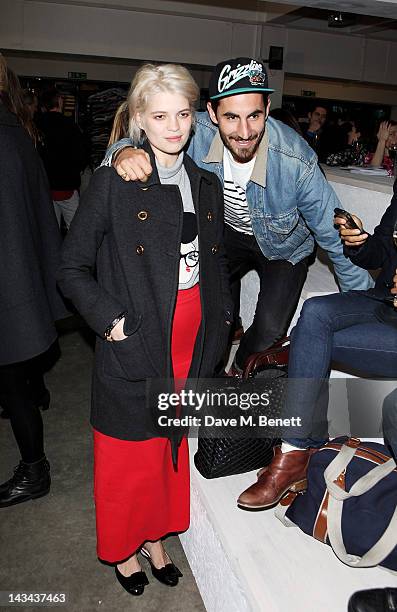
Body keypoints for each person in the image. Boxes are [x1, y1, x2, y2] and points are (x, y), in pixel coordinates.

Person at [57, 63, 232, 597]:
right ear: (138, 119)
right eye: (160, 116)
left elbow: (214, 261)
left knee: (165, 448)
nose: (174, 127)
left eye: (182, 113)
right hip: (137, 334)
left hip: (190, 339)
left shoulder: (204, 182)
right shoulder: (116, 179)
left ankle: (156, 538)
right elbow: (71, 269)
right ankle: (123, 548)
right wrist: (112, 325)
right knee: (126, 453)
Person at [104, 57, 372, 375]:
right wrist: (122, 151)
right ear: (213, 114)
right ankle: (212, 379)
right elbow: (138, 137)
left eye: (254, 116)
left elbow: (334, 234)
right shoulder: (193, 131)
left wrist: (365, 304)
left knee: (269, 332)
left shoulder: (295, 160)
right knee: (214, 320)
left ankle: (240, 372)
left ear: (267, 108)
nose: (244, 132)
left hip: (284, 247)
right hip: (225, 235)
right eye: (231, 117)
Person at [237, 179, 397, 509]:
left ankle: (299, 452)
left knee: (310, 340)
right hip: (383, 302)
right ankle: (296, 449)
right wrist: (359, 243)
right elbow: (383, 247)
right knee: (315, 313)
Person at [0, 57, 66, 507]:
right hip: (20, 279)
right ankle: (35, 386)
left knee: (8, 383)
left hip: (10, 280)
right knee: (18, 376)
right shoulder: (17, 131)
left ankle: (34, 470)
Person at [37, 88, 88, 229]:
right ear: (59, 101)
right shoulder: (70, 125)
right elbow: (81, 154)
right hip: (66, 186)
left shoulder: (36, 124)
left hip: (44, 186)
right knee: (76, 230)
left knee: (49, 230)